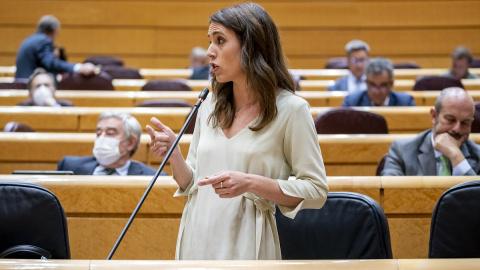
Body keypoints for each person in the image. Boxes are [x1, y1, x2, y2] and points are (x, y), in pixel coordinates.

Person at [147, 3, 328, 260]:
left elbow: (316, 190)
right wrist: (174, 156)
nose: (210, 52)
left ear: (252, 45)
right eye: (210, 41)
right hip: (197, 236)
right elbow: (193, 183)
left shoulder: (292, 110)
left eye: (220, 41)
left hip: (248, 241)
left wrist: (251, 183)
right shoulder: (208, 103)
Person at [382, 87, 480, 176]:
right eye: (450, 120)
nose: (457, 129)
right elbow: (390, 193)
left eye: (465, 123)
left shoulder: (478, 155)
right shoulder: (402, 151)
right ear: (434, 116)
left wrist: (456, 156)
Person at [57, 111, 166, 176]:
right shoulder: (69, 166)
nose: (102, 138)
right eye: (99, 133)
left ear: (130, 143)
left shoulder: (154, 178)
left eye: (110, 133)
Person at [15, 15, 96, 79]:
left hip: (21, 82)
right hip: (29, 84)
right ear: (54, 31)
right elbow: (51, 63)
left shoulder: (32, 39)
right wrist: (78, 67)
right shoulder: (43, 41)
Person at [342, 57, 415, 107]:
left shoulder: (406, 102)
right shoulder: (352, 102)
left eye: (382, 86)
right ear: (366, 83)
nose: (377, 92)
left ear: (391, 84)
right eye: (373, 85)